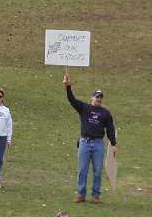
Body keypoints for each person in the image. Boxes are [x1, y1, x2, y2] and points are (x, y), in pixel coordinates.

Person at [63, 72, 117, 204]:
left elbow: (110, 129)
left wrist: (114, 144)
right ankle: (81, 194)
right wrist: (68, 87)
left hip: (98, 144)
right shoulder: (84, 108)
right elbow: (72, 100)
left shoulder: (105, 113)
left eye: (100, 97)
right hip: (84, 143)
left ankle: (95, 195)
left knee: (98, 170)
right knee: (82, 170)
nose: (98, 99)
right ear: (91, 97)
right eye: (96, 96)